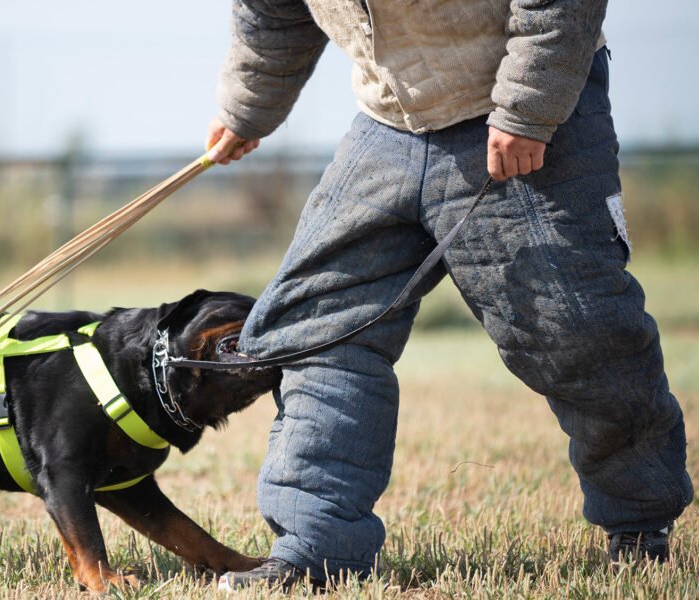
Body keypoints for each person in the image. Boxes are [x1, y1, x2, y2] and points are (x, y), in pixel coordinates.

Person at [203, 0, 694, 591]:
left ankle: (640, 526)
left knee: (576, 329)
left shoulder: (528, 104)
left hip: (514, 107)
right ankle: (316, 551)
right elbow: (273, 12)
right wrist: (246, 109)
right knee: (318, 327)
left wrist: (529, 107)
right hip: (387, 125)